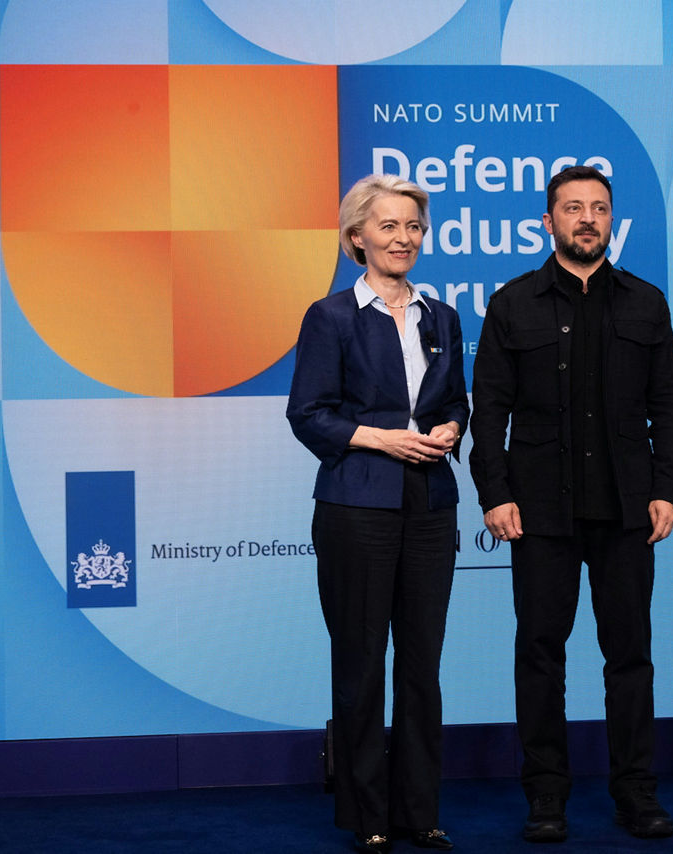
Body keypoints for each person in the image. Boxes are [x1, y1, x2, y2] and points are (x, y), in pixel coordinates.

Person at [469, 165, 673, 842]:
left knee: (630, 656)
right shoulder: (512, 305)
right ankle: (545, 797)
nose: (586, 218)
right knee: (539, 654)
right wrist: (495, 494)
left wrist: (666, 487)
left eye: (598, 208)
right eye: (572, 208)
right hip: (540, 513)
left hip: (627, 510)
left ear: (611, 221)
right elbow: (489, 414)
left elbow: (669, 407)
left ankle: (636, 793)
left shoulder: (647, 303)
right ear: (548, 221)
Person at [286, 174, 468, 854]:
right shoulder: (330, 316)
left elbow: (456, 401)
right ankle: (366, 813)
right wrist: (381, 437)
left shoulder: (441, 315)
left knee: (422, 664)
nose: (404, 238)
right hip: (356, 506)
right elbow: (308, 415)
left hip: (430, 506)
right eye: (389, 226)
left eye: (414, 227)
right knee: (361, 662)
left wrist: (451, 428)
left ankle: (420, 810)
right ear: (356, 236)